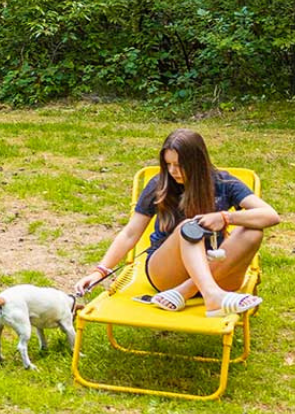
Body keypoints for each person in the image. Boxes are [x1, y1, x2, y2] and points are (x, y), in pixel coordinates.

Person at [74, 128, 280, 316]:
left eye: (180, 165)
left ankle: (186, 293)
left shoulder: (223, 182)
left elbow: (270, 215)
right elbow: (130, 233)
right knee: (188, 228)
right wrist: (99, 271)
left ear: (198, 163)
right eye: (168, 164)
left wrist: (226, 217)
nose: (173, 171)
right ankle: (212, 296)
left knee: (253, 230)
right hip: (168, 274)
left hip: (218, 274)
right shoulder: (160, 185)